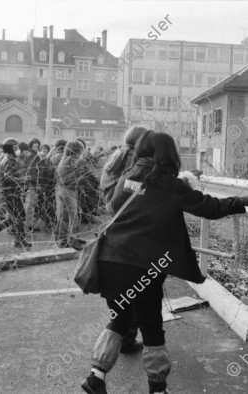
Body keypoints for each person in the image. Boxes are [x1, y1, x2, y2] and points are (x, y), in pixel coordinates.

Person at [81, 131, 248, 394]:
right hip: (142, 268)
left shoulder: (126, 179)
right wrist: (238, 203)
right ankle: (158, 389)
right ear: (168, 154)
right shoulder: (169, 185)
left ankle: (95, 376)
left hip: (111, 262)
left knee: (120, 318)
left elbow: (118, 208)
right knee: (152, 329)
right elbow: (208, 207)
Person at [98, 126, 148, 355]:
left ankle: (119, 340)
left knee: (120, 291)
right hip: (132, 229)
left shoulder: (114, 158)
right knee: (139, 287)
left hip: (113, 225)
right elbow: (138, 191)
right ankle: (127, 339)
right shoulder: (135, 160)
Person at [0, 138, 31, 249]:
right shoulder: (10, 160)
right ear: (10, 149)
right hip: (10, 192)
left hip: (8, 192)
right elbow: (8, 178)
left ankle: (19, 240)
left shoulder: (5, 158)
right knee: (18, 217)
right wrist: (25, 180)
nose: (18, 149)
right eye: (16, 147)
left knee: (17, 217)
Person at [100, 126, 148, 212]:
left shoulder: (121, 152)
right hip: (121, 204)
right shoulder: (131, 156)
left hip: (111, 200)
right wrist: (148, 190)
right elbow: (128, 184)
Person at [56, 140, 89, 249]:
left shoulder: (64, 158)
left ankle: (63, 240)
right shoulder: (73, 159)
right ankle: (73, 241)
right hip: (69, 190)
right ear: (76, 150)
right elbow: (79, 173)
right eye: (80, 150)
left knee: (65, 216)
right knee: (74, 216)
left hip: (63, 190)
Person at [24, 138, 42, 231]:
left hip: (29, 181)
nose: (37, 147)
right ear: (31, 146)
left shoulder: (28, 154)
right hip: (33, 182)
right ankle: (29, 225)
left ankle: (28, 223)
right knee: (31, 203)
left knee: (29, 202)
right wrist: (37, 184)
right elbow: (33, 170)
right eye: (35, 146)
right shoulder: (34, 156)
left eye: (37, 146)